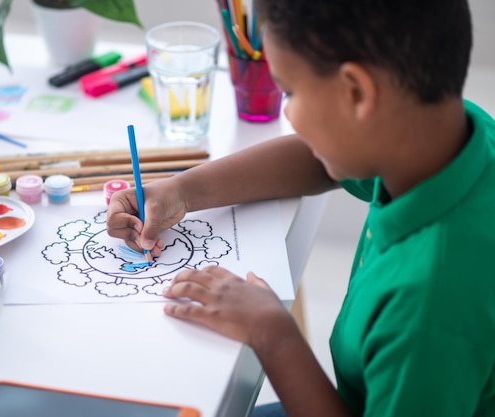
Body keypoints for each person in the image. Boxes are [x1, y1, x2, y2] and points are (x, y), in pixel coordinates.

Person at [107, 0, 495, 415]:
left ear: (356, 93)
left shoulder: (429, 308)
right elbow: (317, 161)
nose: (288, 112)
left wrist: (272, 333)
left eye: (289, 91)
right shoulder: (446, 135)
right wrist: (182, 191)